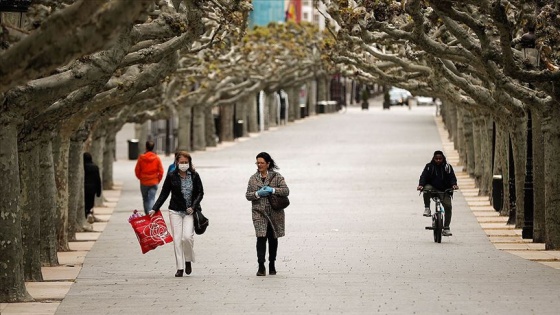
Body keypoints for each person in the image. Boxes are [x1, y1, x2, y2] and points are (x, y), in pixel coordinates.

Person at [150, 151, 204, 277]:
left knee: (187, 237)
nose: (184, 164)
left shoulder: (195, 176)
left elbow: (200, 193)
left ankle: (188, 259)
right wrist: (155, 208)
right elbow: (164, 194)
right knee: (177, 239)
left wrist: (194, 206)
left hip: (189, 212)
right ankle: (180, 267)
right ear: (176, 163)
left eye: (186, 162)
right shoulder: (171, 176)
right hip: (175, 210)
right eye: (181, 162)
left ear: (189, 163)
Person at [245, 152, 290, 276]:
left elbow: (286, 191)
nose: (259, 165)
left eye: (262, 163)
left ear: (268, 164)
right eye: (257, 163)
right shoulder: (253, 179)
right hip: (259, 213)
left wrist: (273, 190)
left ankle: (272, 264)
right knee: (260, 237)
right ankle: (261, 266)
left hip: (275, 213)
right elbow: (248, 195)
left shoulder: (277, 177)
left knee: (272, 238)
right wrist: (258, 193)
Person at [417, 150, 459, 236]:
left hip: (444, 190)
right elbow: (423, 176)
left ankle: (446, 227)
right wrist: (421, 185)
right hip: (433, 189)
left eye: (440, 159)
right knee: (426, 189)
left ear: (443, 159)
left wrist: (454, 185)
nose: (438, 160)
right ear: (433, 158)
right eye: (436, 159)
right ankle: (427, 208)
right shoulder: (429, 167)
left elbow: (452, 177)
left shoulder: (448, 167)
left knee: (448, 207)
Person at [135, 140, 164, 215]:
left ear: (146, 147)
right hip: (154, 181)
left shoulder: (141, 158)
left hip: (144, 181)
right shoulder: (156, 158)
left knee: (145, 199)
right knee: (152, 198)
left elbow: (137, 170)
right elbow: (161, 171)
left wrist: (140, 177)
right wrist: (158, 180)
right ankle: (151, 213)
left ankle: (147, 213)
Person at [83, 152, 102, 224]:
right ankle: (89, 213)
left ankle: (86, 214)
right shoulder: (95, 167)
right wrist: (98, 191)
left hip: (84, 188)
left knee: (85, 202)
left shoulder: (83, 167)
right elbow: (98, 180)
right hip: (92, 189)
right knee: (90, 202)